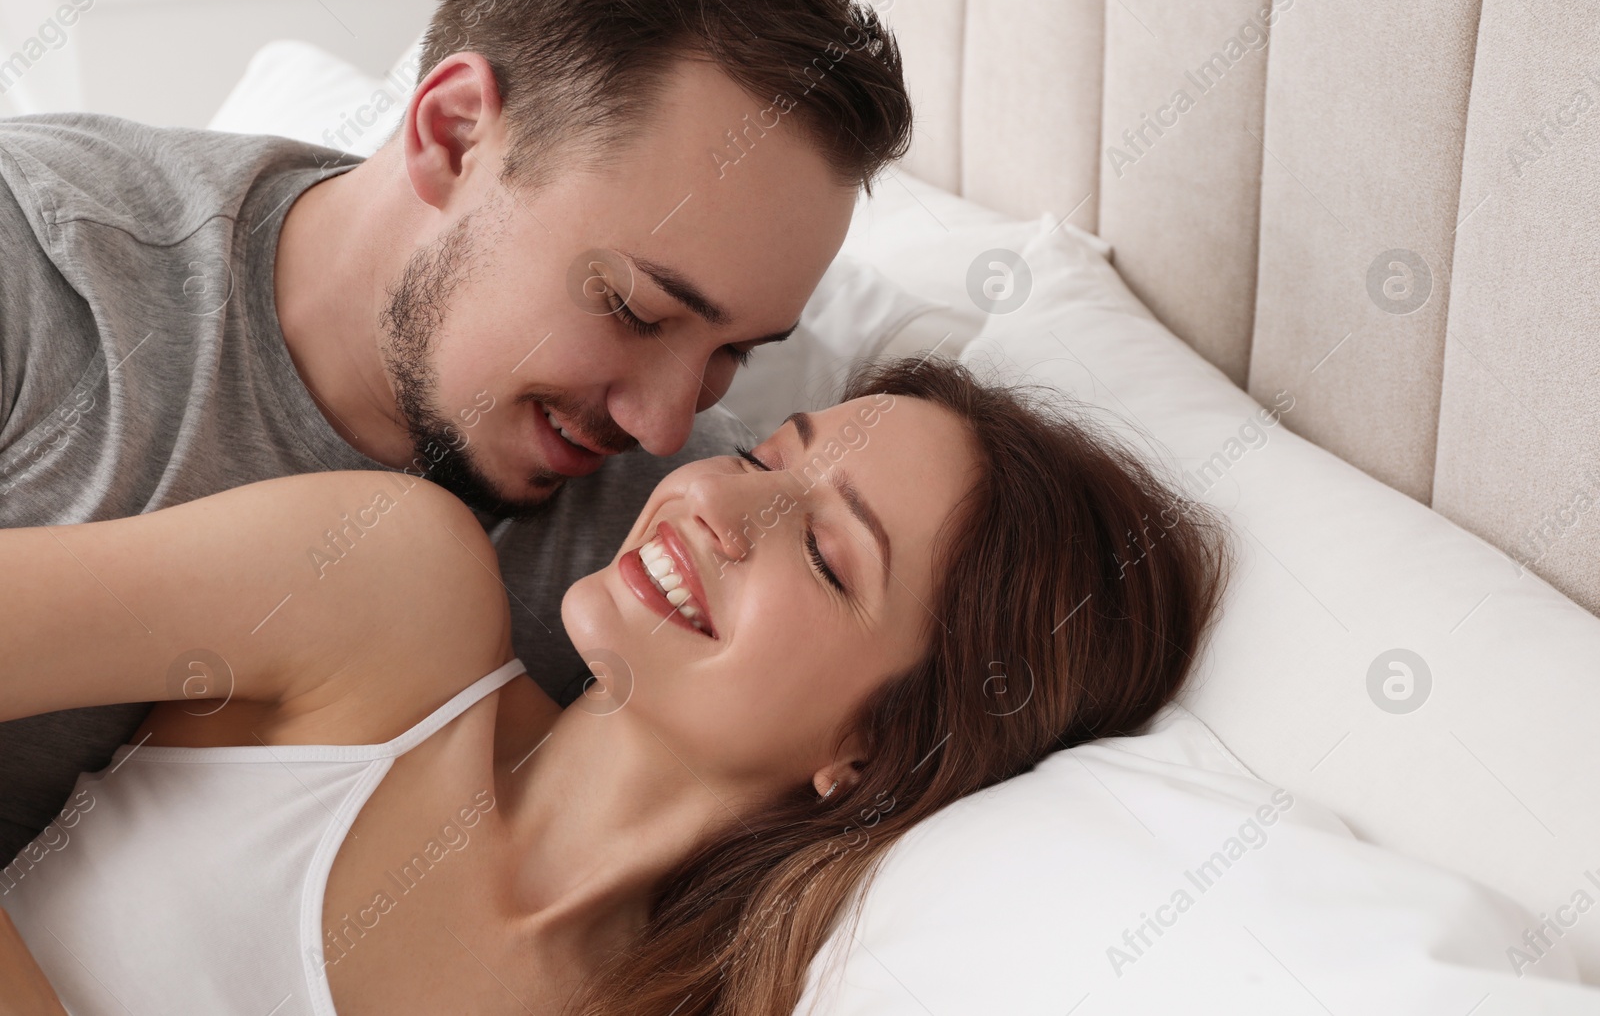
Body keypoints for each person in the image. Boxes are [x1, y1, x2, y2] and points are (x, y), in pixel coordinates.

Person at [0, 0, 913, 864]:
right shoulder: (37, 266)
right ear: (454, 134)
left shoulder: (672, 549)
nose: (663, 424)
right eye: (637, 310)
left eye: (732, 355)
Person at [0, 357, 1231, 1015]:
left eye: (822, 549)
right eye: (762, 452)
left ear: (875, 751)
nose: (714, 499)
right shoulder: (384, 590)